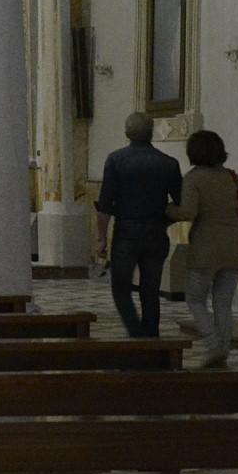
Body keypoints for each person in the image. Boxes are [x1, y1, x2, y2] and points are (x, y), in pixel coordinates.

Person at [93, 112, 182, 340]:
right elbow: (182, 203)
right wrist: (165, 220)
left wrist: (101, 237)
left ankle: (136, 333)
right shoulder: (169, 163)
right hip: (156, 234)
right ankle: (151, 335)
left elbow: (105, 205)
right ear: (151, 133)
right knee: (150, 291)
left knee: (121, 288)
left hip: (127, 233)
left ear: (127, 134)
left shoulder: (116, 160)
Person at [168, 129, 238, 369]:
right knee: (223, 304)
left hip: (206, 249)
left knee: (195, 300)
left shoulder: (194, 178)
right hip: (236, 247)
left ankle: (213, 345)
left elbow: (188, 212)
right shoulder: (232, 177)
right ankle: (223, 351)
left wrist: (169, 209)